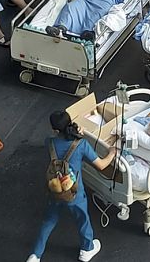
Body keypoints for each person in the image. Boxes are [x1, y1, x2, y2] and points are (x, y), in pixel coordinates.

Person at [26, 111, 116, 262]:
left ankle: (35, 255)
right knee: (82, 219)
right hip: (74, 192)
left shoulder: (49, 142)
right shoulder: (81, 145)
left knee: (49, 220)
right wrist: (111, 153)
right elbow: (101, 165)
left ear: (54, 130)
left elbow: (59, 140)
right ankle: (87, 249)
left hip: (54, 189)